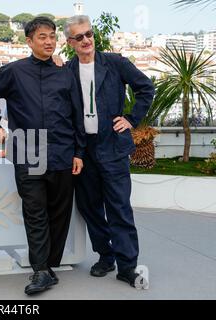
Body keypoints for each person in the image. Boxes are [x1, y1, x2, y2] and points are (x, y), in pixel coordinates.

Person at [0, 17, 86, 295]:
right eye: (42, 37)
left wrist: (79, 152)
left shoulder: (66, 72)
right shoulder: (13, 72)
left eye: (52, 36)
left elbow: (76, 113)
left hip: (63, 152)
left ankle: (49, 266)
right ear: (29, 41)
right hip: (27, 153)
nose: (49, 41)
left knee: (60, 213)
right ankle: (40, 270)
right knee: (35, 211)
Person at [64, 15, 154, 288]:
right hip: (84, 149)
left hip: (113, 147)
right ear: (70, 42)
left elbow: (146, 88)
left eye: (89, 34)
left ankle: (127, 266)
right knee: (89, 207)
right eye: (79, 37)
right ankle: (106, 256)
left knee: (119, 208)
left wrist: (131, 118)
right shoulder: (67, 70)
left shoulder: (115, 63)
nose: (86, 40)